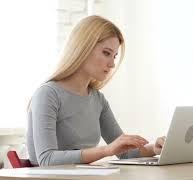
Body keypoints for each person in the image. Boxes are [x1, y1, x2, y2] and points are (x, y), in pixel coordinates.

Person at [27, 15, 166, 166]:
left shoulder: (97, 99)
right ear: (83, 48)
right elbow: (47, 160)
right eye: (106, 53)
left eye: (114, 56)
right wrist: (106, 150)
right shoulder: (48, 94)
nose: (112, 64)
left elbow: (125, 152)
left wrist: (155, 147)